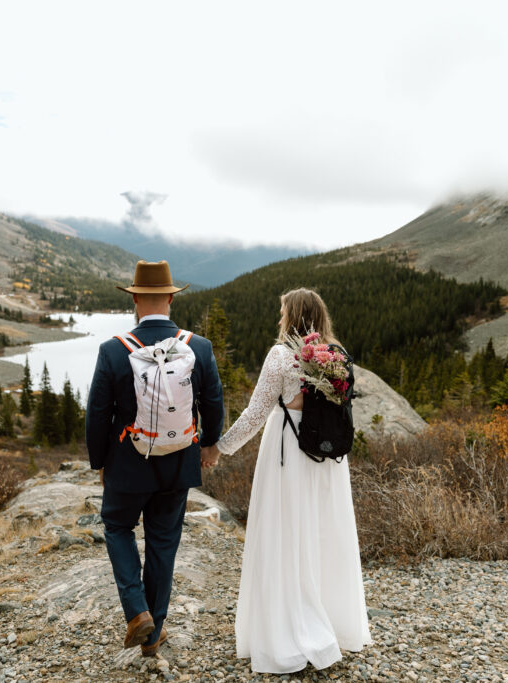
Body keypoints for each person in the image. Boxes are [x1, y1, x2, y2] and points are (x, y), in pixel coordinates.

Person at [214, 287, 371, 674]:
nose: (279, 317)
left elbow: (255, 413)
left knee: (284, 535)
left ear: (294, 316)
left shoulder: (281, 356)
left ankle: (287, 629)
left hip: (289, 454)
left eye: (283, 311)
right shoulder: (335, 356)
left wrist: (219, 448)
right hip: (327, 459)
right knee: (322, 536)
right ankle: (328, 621)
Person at [85, 260, 224, 657]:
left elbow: (97, 414)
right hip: (178, 462)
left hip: (129, 465)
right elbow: (213, 403)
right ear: (169, 298)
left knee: (116, 527)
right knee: (163, 543)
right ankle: (153, 634)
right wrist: (208, 444)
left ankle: (136, 612)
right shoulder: (198, 347)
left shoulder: (113, 351)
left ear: (134, 300)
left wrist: (100, 464)